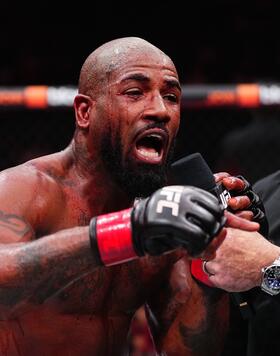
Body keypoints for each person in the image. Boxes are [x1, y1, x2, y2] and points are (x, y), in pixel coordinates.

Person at [0, 37, 258, 356]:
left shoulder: (164, 219)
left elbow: (184, 351)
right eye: (135, 93)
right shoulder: (26, 189)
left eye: (171, 96)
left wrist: (208, 260)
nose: (160, 110)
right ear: (85, 112)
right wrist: (130, 231)